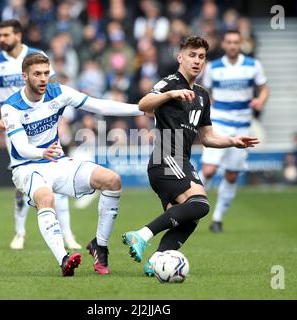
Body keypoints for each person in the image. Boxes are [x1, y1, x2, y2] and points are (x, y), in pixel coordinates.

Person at [121, 35, 259, 276]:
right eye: (192, 55)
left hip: (180, 159)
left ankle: (156, 261)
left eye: (202, 57)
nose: (197, 61)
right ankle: (141, 235)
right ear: (180, 57)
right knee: (201, 204)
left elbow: (207, 137)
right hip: (166, 156)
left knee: (190, 217)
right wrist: (170, 95)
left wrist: (232, 141)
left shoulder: (203, 96)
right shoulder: (171, 82)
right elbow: (144, 103)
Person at [1, 52, 144, 276]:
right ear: (24, 76)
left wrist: (140, 108)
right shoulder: (11, 107)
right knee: (46, 199)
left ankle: (100, 246)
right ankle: (64, 259)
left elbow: (100, 106)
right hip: (27, 167)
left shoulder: (59, 92)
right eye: (37, 74)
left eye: (46, 73)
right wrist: (42, 152)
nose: (42, 79)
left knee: (112, 180)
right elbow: (20, 147)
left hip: (57, 161)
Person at [0, 19, 82, 250]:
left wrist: (61, 120)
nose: (1, 39)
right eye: (0, 35)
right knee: (22, 184)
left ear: (18, 35)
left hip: (44, 125)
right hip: (15, 127)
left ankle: (68, 235)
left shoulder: (37, 56)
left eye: (6, 35)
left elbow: (55, 90)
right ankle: (20, 233)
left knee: (58, 175)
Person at [200, 29, 269, 233]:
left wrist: (261, 100)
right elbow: (205, 92)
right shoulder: (213, 67)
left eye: (236, 42)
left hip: (242, 126)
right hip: (219, 123)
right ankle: (190, 209)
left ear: (241, 44)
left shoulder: (252, 65)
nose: (232, 45)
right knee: (209, 170)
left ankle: (218, 218)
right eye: (229, 42)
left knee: (231, 175)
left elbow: (264, 88)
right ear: (223, 44)